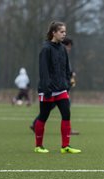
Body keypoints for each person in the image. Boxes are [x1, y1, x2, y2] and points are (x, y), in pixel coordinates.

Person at [33, 21, 81, 154]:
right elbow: (43, 71)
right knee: (43, 116)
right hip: (47, 89)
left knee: (66, 114)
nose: (64, 34)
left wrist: (66, 83)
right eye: (61, 32)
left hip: (61, 89)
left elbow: (66, 68)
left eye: (65, 32)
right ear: (53, 32)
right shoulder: (46, 48)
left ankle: (65, 146)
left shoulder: (62, 49)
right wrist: (47, 88)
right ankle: (38, 146)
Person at [30, 37, 79, 135]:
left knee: (62, 110)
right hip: (54, 89)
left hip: (62, 88)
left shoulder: (63, 54)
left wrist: (70, 77)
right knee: (48, 110)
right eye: (68, 46)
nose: (69, 49)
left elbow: (65, 70)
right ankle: (37, 125)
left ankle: (36, 124)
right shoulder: (51, 51)